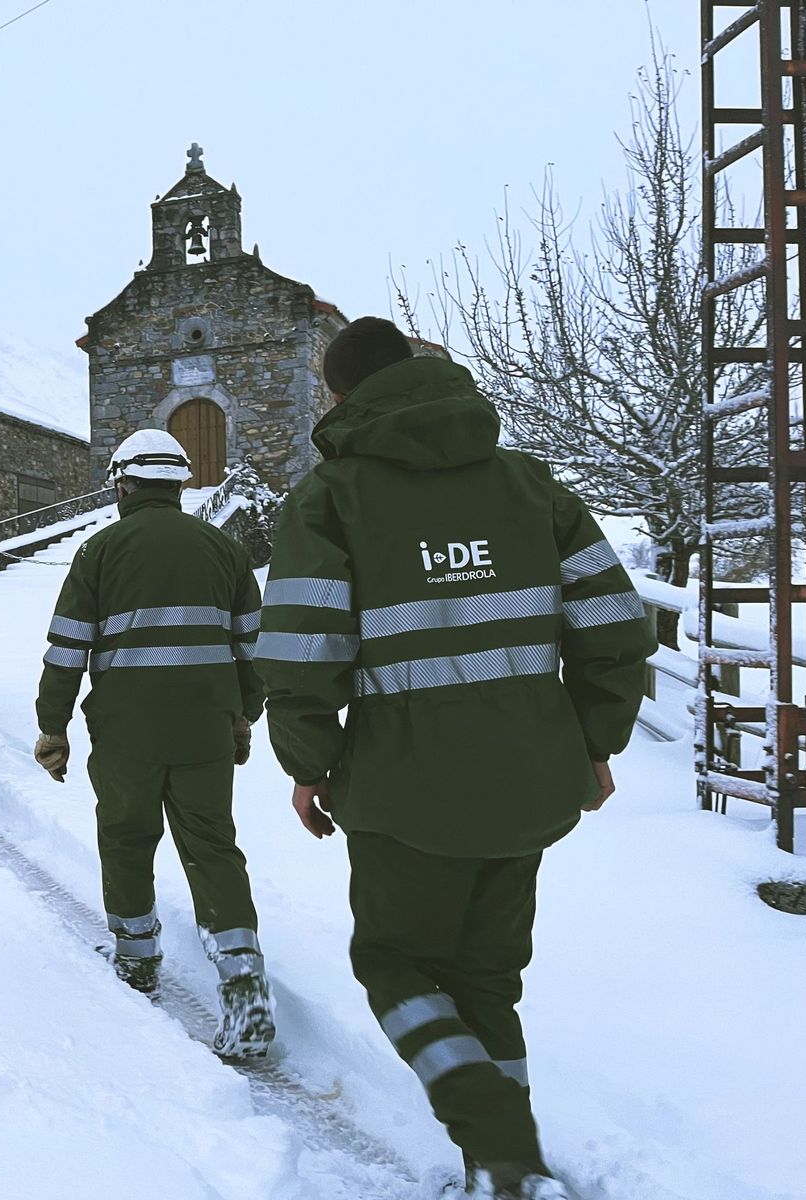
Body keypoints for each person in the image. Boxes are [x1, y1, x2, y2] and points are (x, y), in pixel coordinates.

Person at [256, 318, 653, 1199]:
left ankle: (503, 1147)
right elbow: (615, 625)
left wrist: (310, 764)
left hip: (402, 796)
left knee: (393, 963)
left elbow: (301, 652)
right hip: (530, 783)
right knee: (485, 977)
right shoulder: (528, 483)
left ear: (337, 395)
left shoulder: (330, 498)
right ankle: (500, 1172)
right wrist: (593, 742)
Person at [33, 429, 274, 1057]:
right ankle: (244, 987)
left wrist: (52, 725)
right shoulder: (224, 551)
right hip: (205, 732)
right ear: (178, 483)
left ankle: (137, 962)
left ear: (124, 483)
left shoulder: (100, 551)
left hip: (125, 733)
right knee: (214, 849)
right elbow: (255, 648)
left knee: (127, 837)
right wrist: (242, 713)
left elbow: (66, 649)